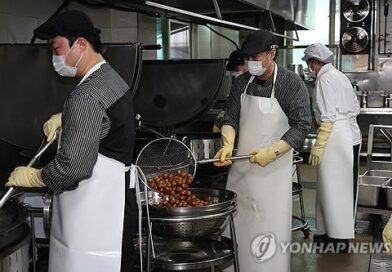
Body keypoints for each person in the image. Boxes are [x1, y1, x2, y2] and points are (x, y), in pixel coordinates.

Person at [5, 10, 137, 272]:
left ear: (80, 44)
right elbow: (105, 120)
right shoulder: (112, 78)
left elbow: (73, 168)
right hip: (119, 206)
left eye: (57, 48)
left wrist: (35, 177)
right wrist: (68, 118)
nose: (54, 57)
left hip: (93, 219)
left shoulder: (85, 97)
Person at [213, 29, 311, 272]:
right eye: (248, 58)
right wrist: (227, 144)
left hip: (272, 176)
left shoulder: (290, 83)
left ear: (272, 53)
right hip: (241, 174)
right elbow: (231, 118)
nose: (251, 63)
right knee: (239, 229)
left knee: (268, 232)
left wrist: (273, 151)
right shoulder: (241, 82)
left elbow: (302, 125)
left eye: (256, 58)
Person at [302, 43, 361, 249]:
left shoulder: (325, 79)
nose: (309, 67)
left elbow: (327, 117)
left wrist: (318, 145)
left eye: (309, 62)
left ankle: (338, 239)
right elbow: (355, 107)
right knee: (334, 187)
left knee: (334, 188)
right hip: (347, 133)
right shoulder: (339, 75)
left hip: (334, 136)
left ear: (316, 62)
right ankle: (329, 232)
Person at [213, 49, 248, 133]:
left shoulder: (258, 84)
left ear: (246, 64)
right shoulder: (237, 84)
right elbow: (232, 105)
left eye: (237, 69)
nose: (234, 73)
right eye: (233, 71)